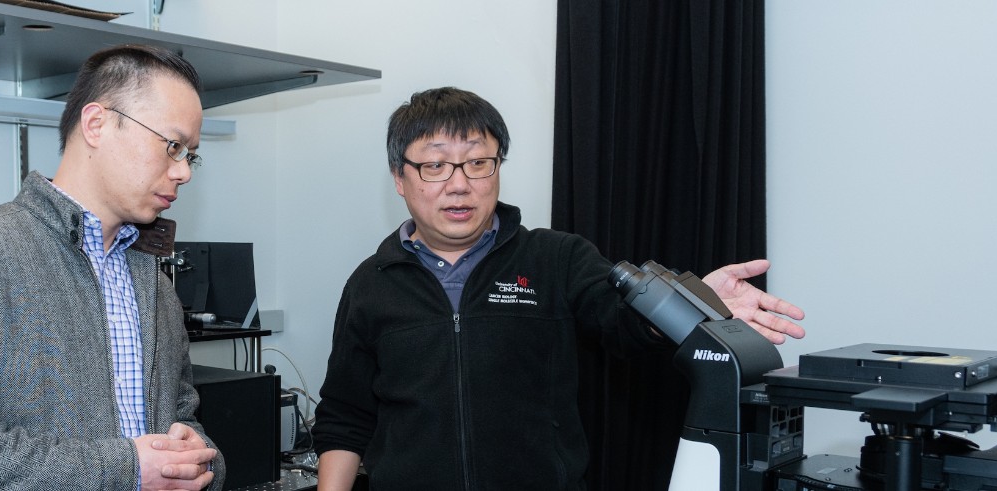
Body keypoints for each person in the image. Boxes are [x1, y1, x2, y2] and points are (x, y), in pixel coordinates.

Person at [311, 87, 805, 490]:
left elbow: (623, 323)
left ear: (497, 168)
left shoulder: (556, 258)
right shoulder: (370, 284)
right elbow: (345, 417)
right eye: (436, 166)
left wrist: (697, 301)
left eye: (478, 163)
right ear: (401, 178)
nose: (459, 184)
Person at [0, 44, 223, 491]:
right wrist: (124, 471)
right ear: (97, 124)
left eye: (190, 154)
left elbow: (183, 417)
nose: (183, 171)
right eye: (172, 146)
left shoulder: (153, 279)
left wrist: (200, 461)